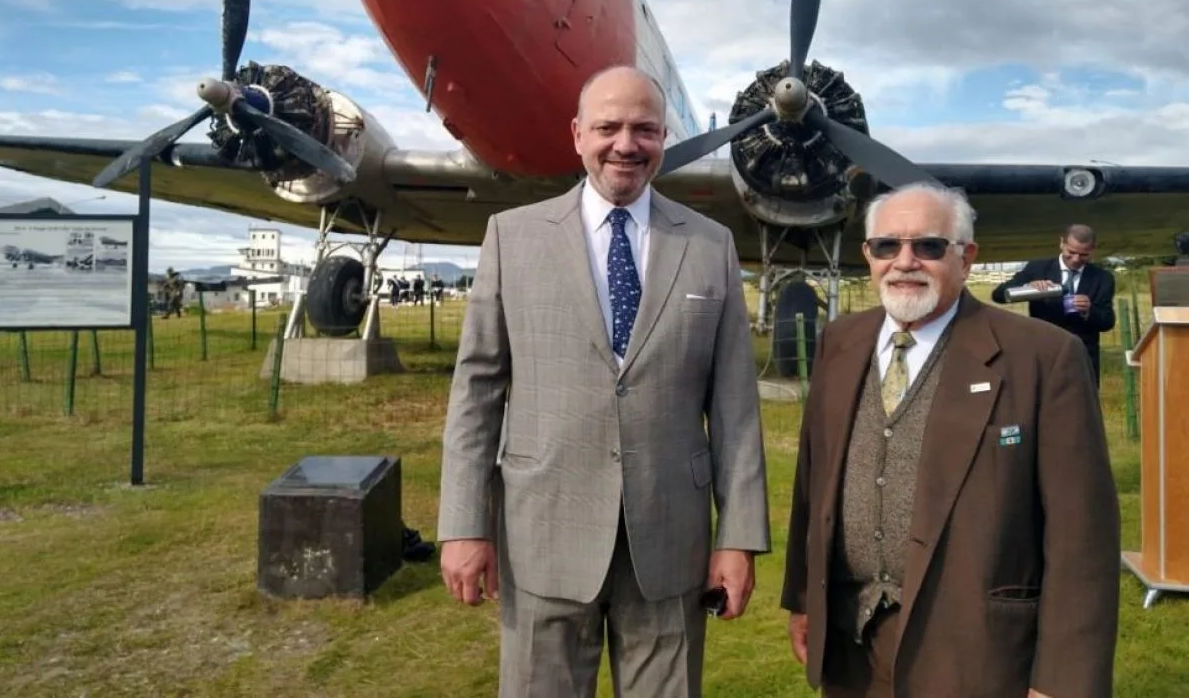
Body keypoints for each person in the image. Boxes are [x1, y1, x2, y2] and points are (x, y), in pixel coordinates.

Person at [437, 65, 770, 698]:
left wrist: (739, 538)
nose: (626, 144)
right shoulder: (512, 237)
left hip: (670, 541)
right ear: (577, 135)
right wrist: (463, 524)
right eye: (608, 127)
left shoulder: (710, 245)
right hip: (542, 535)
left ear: (664, 137)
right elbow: (475, 393)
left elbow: (734, 408)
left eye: (643, 129)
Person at [780, 182, 1119, 698]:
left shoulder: (1045, 358)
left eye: (929, 246)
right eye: (887, 246)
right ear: (868, 255)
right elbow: (813, 482)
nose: (905, 261)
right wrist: (805, 599)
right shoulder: (839, 341)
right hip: (851, 648)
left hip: (975, 656)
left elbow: (1082, 536)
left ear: (966, 257)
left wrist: (1063, 681)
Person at [990, 224, 1115, 386]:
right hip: (1043, 355)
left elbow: (1107, 321)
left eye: (1084, 255)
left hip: (1082, 359)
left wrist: (1089, 311)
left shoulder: (1102, 278)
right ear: (1062, 243)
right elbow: (998, 295)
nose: (1076, 259)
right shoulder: (1038, 268)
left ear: (1093, 250)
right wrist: (1029, 287)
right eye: (1071, 252)